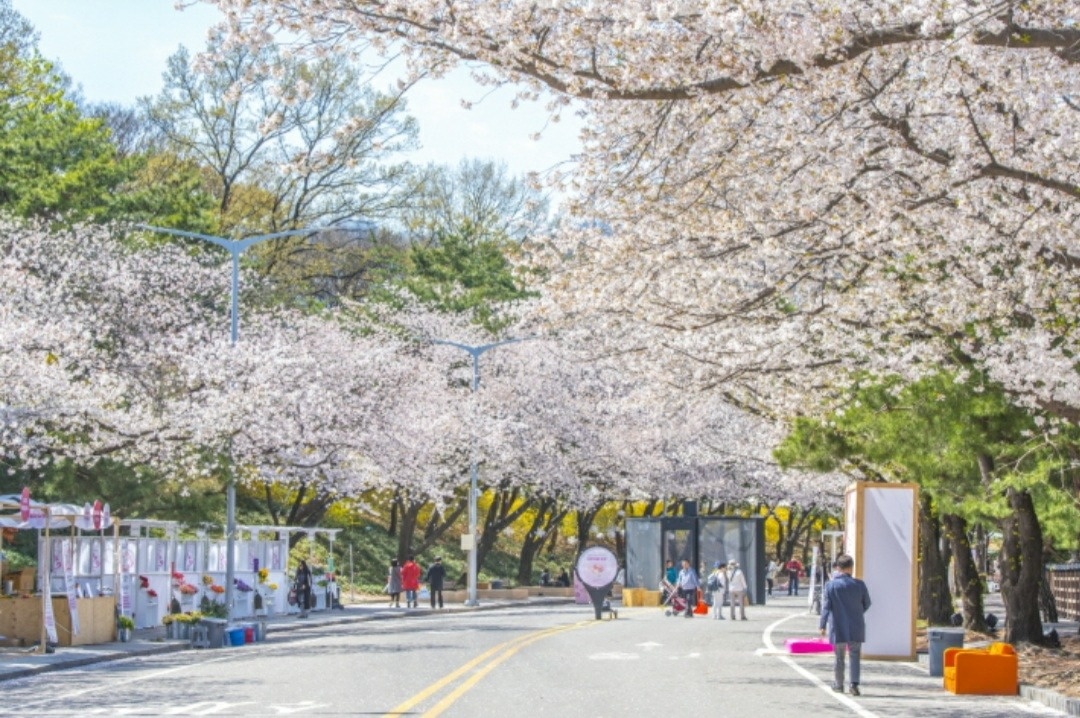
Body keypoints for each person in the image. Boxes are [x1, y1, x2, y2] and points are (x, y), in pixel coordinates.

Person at [819, 554, 872, 696]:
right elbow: (867, 603)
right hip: (856, 624)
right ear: (851, 568)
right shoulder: (860, 584)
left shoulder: (831, 585)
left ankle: (839, 684)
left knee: (839, 656)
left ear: (838, 568)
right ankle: (854, 684)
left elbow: (826, 607)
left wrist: (822, 624)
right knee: (855, 655)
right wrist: (858, 612)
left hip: (838, 625)